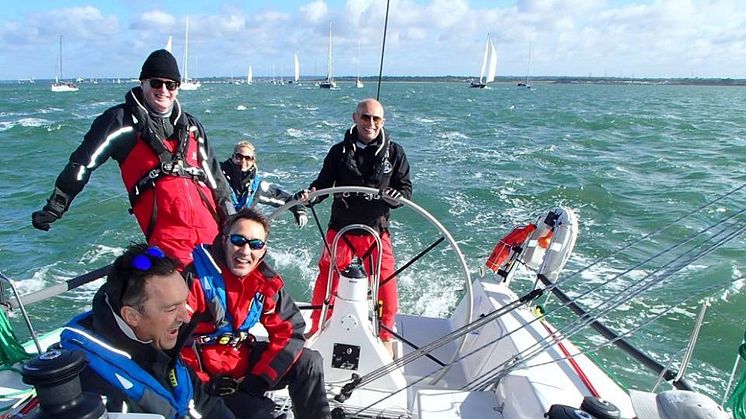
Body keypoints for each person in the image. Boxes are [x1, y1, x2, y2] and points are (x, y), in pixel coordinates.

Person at [31, 49, 233, 268]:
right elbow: (82, 163)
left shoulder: (192, 127)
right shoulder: (119, 122)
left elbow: (216, 179)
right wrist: (55, 206)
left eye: (171, 84)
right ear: (143, 82)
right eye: (156, 83)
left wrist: (232, 220)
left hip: (214, 240)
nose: (163, 90)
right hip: (170, 248)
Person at [181, 208, 330, 419]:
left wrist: (258, 380)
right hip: (204, 379)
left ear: (263, 250)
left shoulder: (264, 283)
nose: (245, 251)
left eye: (255, 244)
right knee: (261, 412)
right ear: (224, 241)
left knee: (309, 361)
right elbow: (171, 341)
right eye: (238, 240)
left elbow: (290, 331)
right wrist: (205, 383)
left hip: (243, 366)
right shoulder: (194, 279)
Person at [59, 243, 237, 418]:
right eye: (171, 308)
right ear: (131, 316)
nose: (186, 317)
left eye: (184, 302)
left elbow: (207, 404)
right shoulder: (96, 391)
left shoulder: (161, 344)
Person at [296, 98, 412, 356]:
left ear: (383, 121)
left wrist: (396, 197)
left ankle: (384, 335)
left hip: (376, 232)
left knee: (385, 281)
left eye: (376, 119)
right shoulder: (339, 151)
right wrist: (311, 194)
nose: (370, 123)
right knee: (327, 278)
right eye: (365, 117)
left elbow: (405, 190)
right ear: (354, 117)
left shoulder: (395, 153)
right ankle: (317, 326)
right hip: (341, 230)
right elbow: (324, 184)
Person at [221, 140, 307, 228]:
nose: (243, 161)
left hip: (237, 231)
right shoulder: (218, 176)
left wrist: (298, 209)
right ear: (233, 157)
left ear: (253, 161)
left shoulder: (256, 187)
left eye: (248, 158)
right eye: (239, 156)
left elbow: (284, 198)